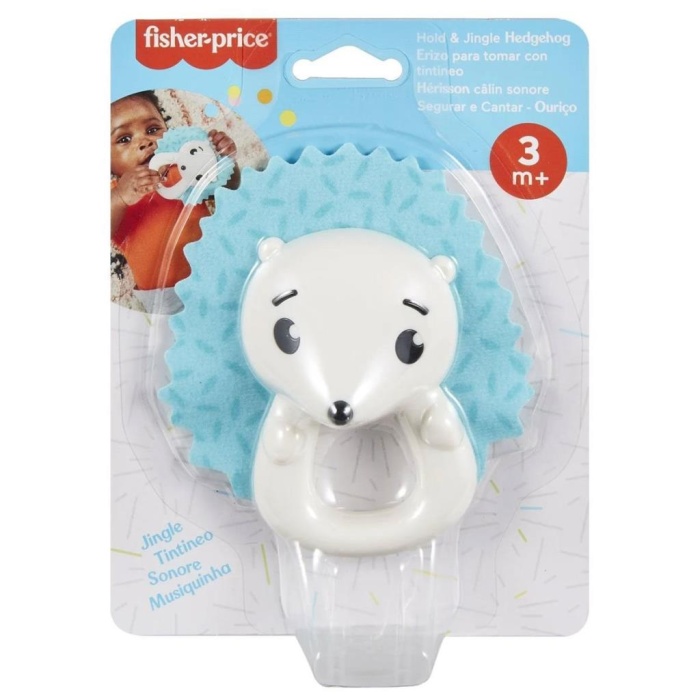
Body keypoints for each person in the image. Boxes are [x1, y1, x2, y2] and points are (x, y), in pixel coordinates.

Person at [111, 91, 238, 290]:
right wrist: (119, 197)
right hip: (164, 292)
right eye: (124, 139)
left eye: (153, 129)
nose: (145, 142)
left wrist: (225, 161)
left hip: (216, 272)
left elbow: (231, 189)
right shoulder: (115, 194)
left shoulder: (182, 170)